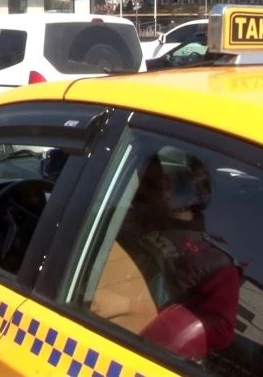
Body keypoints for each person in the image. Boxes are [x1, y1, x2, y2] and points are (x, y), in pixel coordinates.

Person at [95, 148, 240, 361]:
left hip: (128, 348)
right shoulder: (118, 218)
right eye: (140, 183)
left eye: (154, 185)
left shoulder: (215, 263)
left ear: (190, 193)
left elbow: (219, 333)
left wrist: (133, 309)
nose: (139, 194)